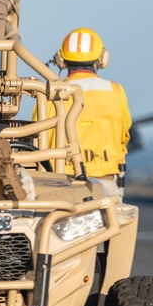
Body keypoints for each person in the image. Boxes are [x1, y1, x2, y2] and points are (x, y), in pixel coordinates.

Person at [41, 27, 132, 198]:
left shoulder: (51, 94)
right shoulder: (116, 91)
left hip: (61, 182)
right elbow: (126, 128)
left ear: (60, 59)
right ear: (102, 59)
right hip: (106, 182)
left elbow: (39, 136)